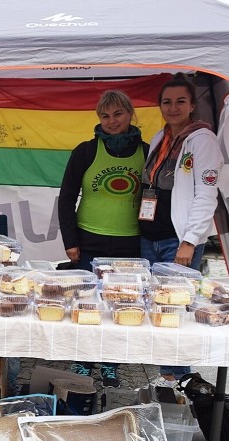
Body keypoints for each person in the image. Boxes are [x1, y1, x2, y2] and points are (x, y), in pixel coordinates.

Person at [57, 89, 148, 387]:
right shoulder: (85, 151)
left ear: (130, 115)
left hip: (131, 242)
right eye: (105, 116)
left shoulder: (147, 152)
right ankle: (83, 361)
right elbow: (66, 198)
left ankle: (111, 364)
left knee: (121, 305)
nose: (111, 121)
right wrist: (71, 241)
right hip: (89, 240)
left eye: (118, 114)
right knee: (87, 304)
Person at [140, 73, 222, 380]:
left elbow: (206, 194)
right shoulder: (160, 139)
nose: (173, 108)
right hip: (150, 236)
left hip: (178, 239)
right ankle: (164, 376)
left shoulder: (203, 140)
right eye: (167, 102)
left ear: (192, 105)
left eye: (180, 102)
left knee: (174, 310)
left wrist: (190, 241)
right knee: (155, 307)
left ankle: (178, 381)